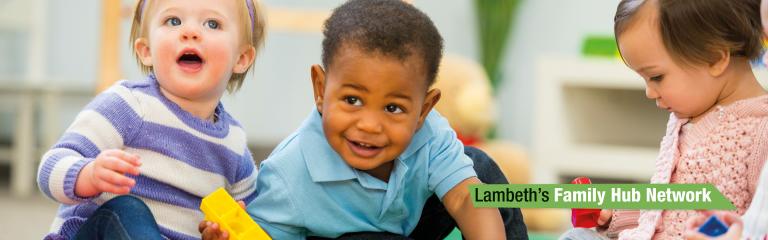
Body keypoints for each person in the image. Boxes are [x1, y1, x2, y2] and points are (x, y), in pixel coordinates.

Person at [199, 0, 527, 239]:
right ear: (321, 88)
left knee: (480, 171)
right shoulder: (289, 175)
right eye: (352, 100)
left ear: (424, 110)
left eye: (394, 108)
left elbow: (463, 198)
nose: (369, 125)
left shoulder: (429, 134)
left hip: (414, 223)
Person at [36, 0, 265, 239]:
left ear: (241, 58)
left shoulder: (234, 146)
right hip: (98, 232)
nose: (190, 32)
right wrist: (88, 174)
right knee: (128, 209)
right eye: (173, 21)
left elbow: (254, 222)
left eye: (212, 23)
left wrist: (225, 232)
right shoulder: (129, 105)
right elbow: (50, 167)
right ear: (146, 51)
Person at [561, 0, 768, 239]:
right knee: (576, 236)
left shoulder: (759, 130)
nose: (649, 92)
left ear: (714, 58)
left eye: (656, 77)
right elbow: (668, 209)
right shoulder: (688, 117)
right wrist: (614, 213)